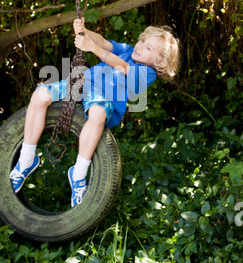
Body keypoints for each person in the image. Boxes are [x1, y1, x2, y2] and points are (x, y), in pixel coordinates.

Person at [9, 19, 180, 207]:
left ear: (159, 61)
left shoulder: (148, 73)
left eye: (149, 48)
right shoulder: (127, 49)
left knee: (98, 114)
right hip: (82, 83)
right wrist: (85, 31)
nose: (140, 47)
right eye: (142, 41)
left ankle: (79, 174)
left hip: (104, 97)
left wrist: (92, 48)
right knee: (40, 95)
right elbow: (103, 42)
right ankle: (26, 159)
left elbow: (121, 66)